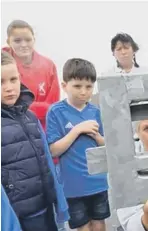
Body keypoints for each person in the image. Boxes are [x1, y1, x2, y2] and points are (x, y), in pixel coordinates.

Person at [1, 50, 69, 231]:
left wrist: (58, 201)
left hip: (45, 206)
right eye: (1, 82)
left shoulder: (30, 117)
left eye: (13, 80)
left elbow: (47, 160)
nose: (9, 87)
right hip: (18, 216)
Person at [46, 58, 110, 231]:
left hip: (98, 183)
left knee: (99, 225)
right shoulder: (55, 112)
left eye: (89, 87)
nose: (83, 92)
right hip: (73, 186)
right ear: (64, 85)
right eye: (77, 86)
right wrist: (77, 130)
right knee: (83, 227)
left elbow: (108, 146)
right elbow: (53, 150)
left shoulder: (96, 112)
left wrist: (97, 136)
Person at [2, 20, 60, 131]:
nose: (23, 45)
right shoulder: (3, 65)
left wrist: (25, 107)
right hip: (9, 129)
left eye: (28, 40)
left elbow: (52, 107)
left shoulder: (48, 66)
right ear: (8, 42)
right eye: (17, 41)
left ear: (34, 39)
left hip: (42, 130)